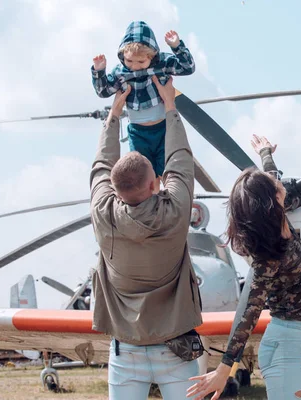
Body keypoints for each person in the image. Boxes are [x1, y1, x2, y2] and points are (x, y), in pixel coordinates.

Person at [89, 75, 203, 399]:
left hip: (126, 354)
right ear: (155, 184)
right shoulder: (176, 211)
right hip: (176, 351)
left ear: (115, 190)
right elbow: (180, 161)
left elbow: (101, 165)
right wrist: (170, 105)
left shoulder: (102, 212)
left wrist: (114, 114)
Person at [187, 135, 301, 399]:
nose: (279, 181)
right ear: (272, 201)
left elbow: (269, 178)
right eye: (274, 184)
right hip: (285, 348)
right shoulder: (268, 260)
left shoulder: (278, 218)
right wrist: (224, 368)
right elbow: (247, 315)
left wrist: (265, 153)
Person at [91, 20, 195, 189]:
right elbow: (103, 91)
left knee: (167, 169)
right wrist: (99, 71)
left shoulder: (161, 64)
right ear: (123, 56)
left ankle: (169, 198)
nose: (135, 67)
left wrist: (176, 46)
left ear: (151, 56)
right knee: (143, 172)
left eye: (141, 62)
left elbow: (187, 67)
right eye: (130, 61)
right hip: (138, 133)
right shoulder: (121, 72)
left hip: (162, 129)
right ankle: (151, 202)